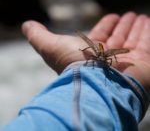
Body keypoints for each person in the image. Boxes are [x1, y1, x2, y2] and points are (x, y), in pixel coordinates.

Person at [1, 12, 150, 130]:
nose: (101, 59)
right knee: (93, 54)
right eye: (100, 57)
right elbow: (93, 56)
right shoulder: (94, 52)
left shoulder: (107, 57)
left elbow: (109, 60)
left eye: (102, 58)